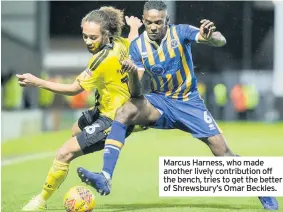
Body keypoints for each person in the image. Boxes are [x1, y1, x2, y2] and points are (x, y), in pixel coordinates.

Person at [77, 1, 279, 210]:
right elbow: (136, 93)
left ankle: (263, 190)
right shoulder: (137, 47)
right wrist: (130, 72)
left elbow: (220, 40)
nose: (153, 27)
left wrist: (211, 37)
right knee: (125, 110)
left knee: (223, 153)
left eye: (158, 22)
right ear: (144, 20)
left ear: (167, 21)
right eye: (148, 22)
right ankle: (105, 176)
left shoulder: (180, 33)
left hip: (189, 103)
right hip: (159, 101)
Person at [17, 7, 142, 211]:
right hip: (101, 108)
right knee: (75, 131)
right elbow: (133, 43)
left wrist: (37, 81)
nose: (88, 41)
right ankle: (98, 145)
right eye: (84, 36)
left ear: (106, 34)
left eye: (93, 37)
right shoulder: (120, 43)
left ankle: (40, 201)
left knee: (64, 153)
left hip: (113, 118)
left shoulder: (101, 60)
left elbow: (74, 89)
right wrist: (135, 28)